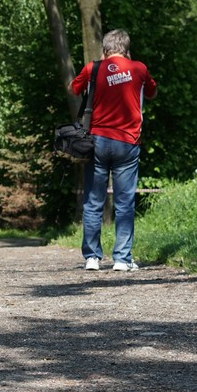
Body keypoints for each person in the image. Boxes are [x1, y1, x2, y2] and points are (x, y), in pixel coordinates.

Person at [70, 29, 157, 272]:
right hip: (127, 142)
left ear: (106, 48)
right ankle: (121, 258)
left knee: (93, 201)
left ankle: (92, 257)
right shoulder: (138, 68)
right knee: (125, 201)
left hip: (97, 141)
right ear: (126, 49)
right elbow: (151, 92)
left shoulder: (92, 68)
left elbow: (73, 89)